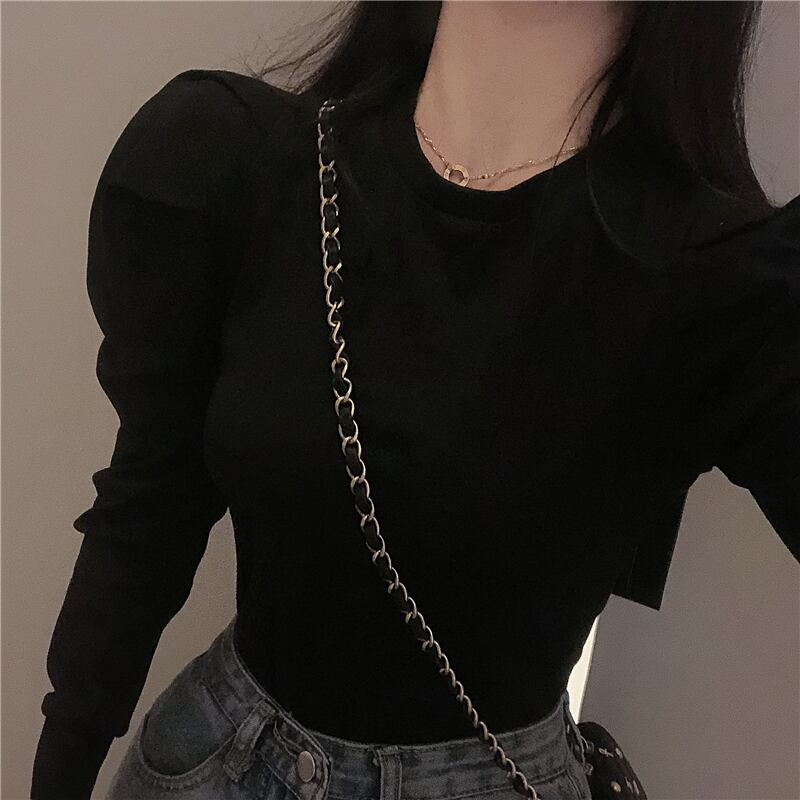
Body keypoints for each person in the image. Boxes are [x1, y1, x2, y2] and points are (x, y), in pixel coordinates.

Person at [31, 2, 799, 799]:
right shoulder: (234, 162)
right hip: (212, 760)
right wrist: (61, 767)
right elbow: (151, 507)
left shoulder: (724, 285)